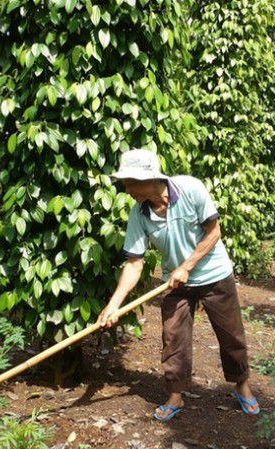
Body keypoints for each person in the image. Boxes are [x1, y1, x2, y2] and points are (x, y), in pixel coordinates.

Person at [97, 149, 259, 422]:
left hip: (214, 275)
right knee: (173, 339)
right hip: (175, 283)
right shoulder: (140, 214)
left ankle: (242, 385)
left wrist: (187, 266)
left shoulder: (191, 189)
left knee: (231, 336)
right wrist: (113, 306)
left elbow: (214, 232)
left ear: (148, 179)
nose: (125, 190)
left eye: (129, 183)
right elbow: (134, 264)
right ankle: (175, 395)